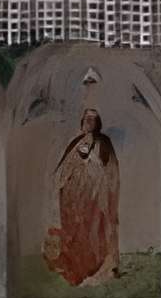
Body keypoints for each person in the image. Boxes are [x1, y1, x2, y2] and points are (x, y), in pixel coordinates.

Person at [42, 106, 121, 287]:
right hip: (73, 198)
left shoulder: (104, 143)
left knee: (93, 231)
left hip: (94, 198)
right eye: (86, 119)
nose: (89, 123)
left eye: (92, 119)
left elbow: (109, 172)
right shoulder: (76, 142)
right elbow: (64, 169)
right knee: (75, 232)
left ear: (97, 123)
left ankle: (95, 267)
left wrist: (89, 158)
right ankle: (77, 267)